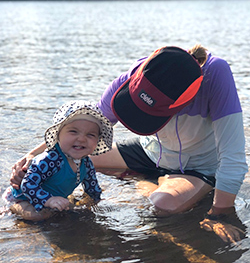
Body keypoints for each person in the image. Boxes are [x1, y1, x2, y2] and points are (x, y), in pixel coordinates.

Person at [10, 45, 248, 242]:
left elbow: (233, 156)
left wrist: (220, 213)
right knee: (77, 153)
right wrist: (32, 157)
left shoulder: (216, 75)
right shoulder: (142, 71)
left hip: (198, 167)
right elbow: (81, 130)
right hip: (151, 152)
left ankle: (148, 184)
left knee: (164, 205)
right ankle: (147, 179)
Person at [3, 101, 113, 221]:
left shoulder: (86, 163)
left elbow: (92, 187)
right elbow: (28, 184)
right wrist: (48, 200)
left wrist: (96, 201)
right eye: (73, 131)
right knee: (38, 216)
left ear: (97, 141)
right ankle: (12, 207)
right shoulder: (49, 159)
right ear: (58, 135)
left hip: (52, 198)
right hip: (23, 197)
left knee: (70, 208)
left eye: (90, 135)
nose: (81, 139)